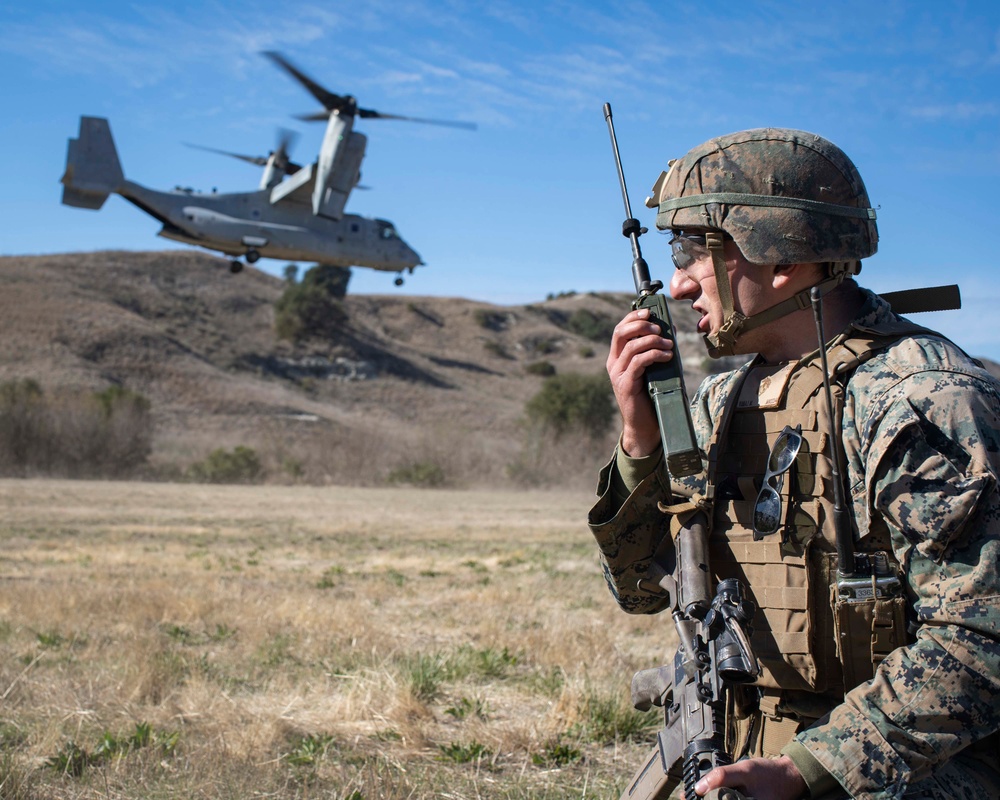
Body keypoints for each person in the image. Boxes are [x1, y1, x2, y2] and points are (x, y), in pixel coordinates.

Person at [587, 127, 1000, 800]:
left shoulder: (924, 401)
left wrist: (807, 773)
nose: (682, 283)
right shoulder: (722, 401)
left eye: (697, 252)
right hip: (743, 753)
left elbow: (979, 643)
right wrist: (640, 444)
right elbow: (641, 592)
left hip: (905, 767)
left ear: (780, 260)